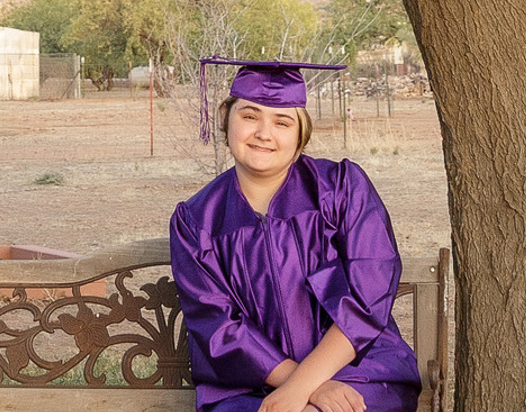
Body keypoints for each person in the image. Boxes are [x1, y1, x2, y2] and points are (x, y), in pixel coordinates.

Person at [169, 61, 421, 412]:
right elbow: (219, 327)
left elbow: (369, 297)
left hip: (360, 369)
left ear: (301, 135)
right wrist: (303, 389)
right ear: (226, 118)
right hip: (247, 385)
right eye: (249, 116)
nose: (263, 133)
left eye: (282, 121)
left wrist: (304, 386)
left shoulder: (342, 190)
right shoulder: (196, 221)